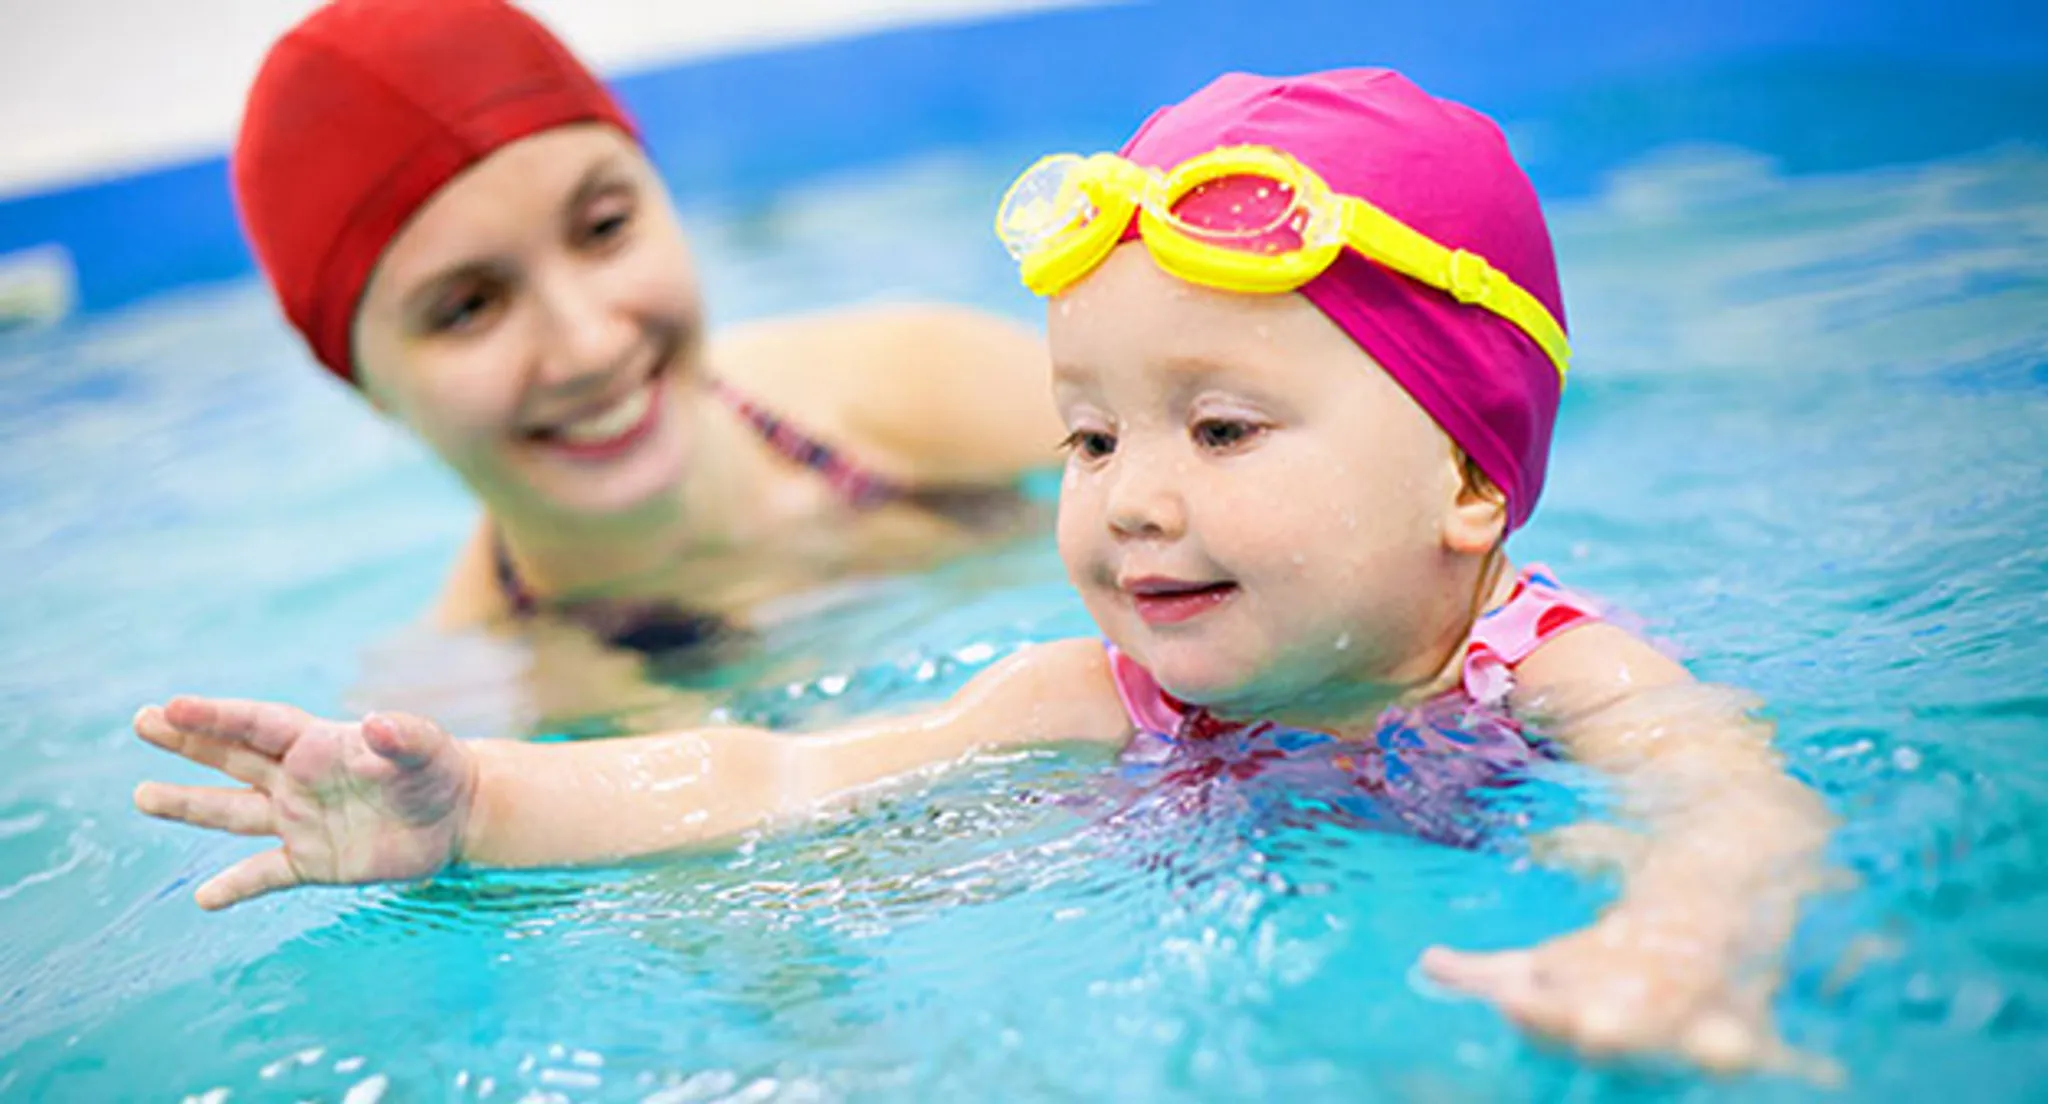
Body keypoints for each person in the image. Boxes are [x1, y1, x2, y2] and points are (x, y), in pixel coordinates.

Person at [136, 69, 1832, 1073]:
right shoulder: (1085, 694)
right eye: (1085, 439)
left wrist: (1676, 943)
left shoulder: (1549, 669)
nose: (1123, 503)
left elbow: (1731, 802)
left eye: (1219, 430)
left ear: (1468, 476)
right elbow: (770, 770)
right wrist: (479, 808)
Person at [231, 0, 1064, 717]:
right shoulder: (469, 712)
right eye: (469, 308)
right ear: (366, 386)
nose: (590, 345)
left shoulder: (928, 384)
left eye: (603, 228)